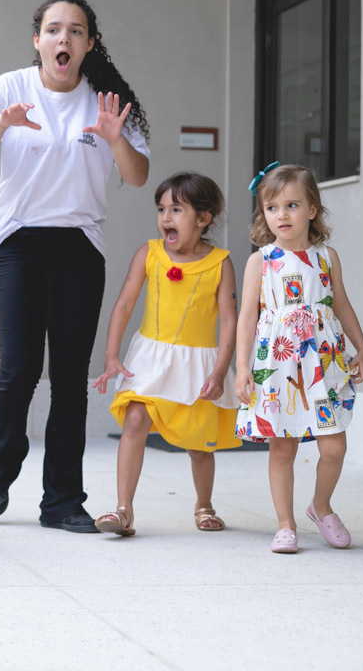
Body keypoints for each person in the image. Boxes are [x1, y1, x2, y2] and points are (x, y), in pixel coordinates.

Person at [0, 0, 151, 533]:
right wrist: (3, 125)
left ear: (89, 43)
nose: (64, 39)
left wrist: (115, 142)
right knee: (20, 368)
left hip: (79, 247)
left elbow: (136, 176)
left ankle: (62, 500)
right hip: (15, 244)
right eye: (53, 29)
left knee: (69, 379)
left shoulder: (106, 100)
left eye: (76, 31)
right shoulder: (9, 89)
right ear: (37, 39)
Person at [91, 172, 239, 537]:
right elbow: (124, 305)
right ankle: (124, 509)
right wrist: (112, 356)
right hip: (150, 358)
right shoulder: (149, 253)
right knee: (136, 420)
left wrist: (221, 372)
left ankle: (204, 505)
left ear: (203, 219)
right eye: (161, 209)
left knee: (199, 444)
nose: (166, 218)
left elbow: (229, 321)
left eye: (177, 209)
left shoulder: (220, 262)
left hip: (198, 364)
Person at [235, 163, 363, 553]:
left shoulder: (326, 257)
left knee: (333, 447)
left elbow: (340, 304)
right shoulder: (261, 261)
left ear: (312, 209)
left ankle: (321, 506)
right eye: (271, 207)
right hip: (277, 364)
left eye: (292, 205)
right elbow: (248, 316)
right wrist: (243, 366)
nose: (281, 215)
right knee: (282, 447)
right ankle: (285, 523)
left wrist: (361, 346)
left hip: (323, 361)